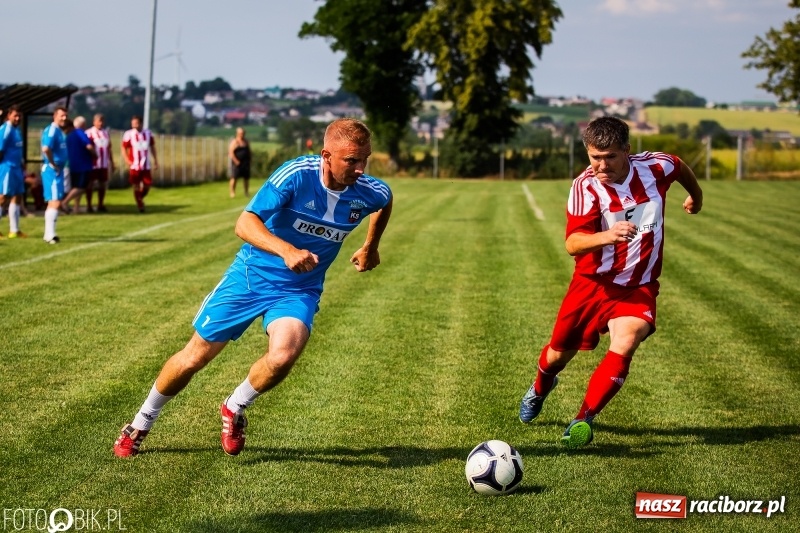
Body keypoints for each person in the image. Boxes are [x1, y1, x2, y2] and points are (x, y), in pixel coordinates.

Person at [113, 118, 393, 458]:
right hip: (249, 278)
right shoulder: (296, 175)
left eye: (365, 159)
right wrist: (286, 250)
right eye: (351, 160)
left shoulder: (368, 190)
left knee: (284, 355)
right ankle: (140, 422)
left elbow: (384, 201)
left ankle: (234, 406)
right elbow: (245, 223)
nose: (360, 168)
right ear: (326, 155)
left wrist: (371, 246)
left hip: (299, 290)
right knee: (194, 357)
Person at [518, 116, 703, 448]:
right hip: (592, 284)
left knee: (627, 340)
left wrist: (696, 196)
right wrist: (608, 235)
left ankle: (582, 420)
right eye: (595, 157)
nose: (602, 166)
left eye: (610, 157)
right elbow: (573, 243)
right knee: (557, 355)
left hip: (638, 285)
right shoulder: (585, 188)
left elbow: (678, 165)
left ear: (627, 150)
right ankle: (541, 388)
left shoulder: (655, 167)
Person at [40, 106, 70, 244]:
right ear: (55, 116)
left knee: (54, 201)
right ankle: (50, 235)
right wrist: (52, 163)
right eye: (61, 115)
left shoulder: (59, 131)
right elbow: (46, 148)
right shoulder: (52, 130)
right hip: (52, 170)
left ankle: (48, 234)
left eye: (65, 115)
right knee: (55, 201)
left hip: (57, 170)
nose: (64, 118)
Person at [121, 115, 158, 213]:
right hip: (134, 165)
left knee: (147, 185)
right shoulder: (129, 134)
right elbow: (123, 147)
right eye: (132, 123)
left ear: (141, 123)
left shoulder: (148, 133)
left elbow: (152, 147)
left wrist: (155, 160)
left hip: (146, 165)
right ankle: (140, 205)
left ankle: (139, 198)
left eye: (136, 123)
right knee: (136, 185)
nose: (134, 125)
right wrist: (127, 160)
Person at [0, 105, 27, 238]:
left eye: (19, 116)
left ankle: (14, 230)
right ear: (8, 115)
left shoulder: (17, 130)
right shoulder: (5, 129)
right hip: (7, 167)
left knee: (17, 196)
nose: (17, 118)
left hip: (16, 167)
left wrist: (21, 162)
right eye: (15, 115)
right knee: (3, 197)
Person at [62, 116, 96, 214]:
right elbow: (89, 146)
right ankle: (64, 203)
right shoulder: (79, 133)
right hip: (83, 164)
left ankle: (76, 208)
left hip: (73, 165)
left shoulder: (68, 136)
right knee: (82, 187)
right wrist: (94, 154)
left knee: (76, 186)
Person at [85, 113, 114, 212]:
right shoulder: (89, 133)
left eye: (102, 121)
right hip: (93, 164)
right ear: (94, 122)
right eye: (98, 121)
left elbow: (109, 149)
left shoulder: (106, 133)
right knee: (90, 184)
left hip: (104, 163)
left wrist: (112, 162)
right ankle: (89, 205)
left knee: (103, 184)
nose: (100, 123)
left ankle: (100, 204)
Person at [228, 127, 251, 198]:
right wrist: (236, 161)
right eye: (241, 133)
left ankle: (246, 192)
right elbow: (231, 153)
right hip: (237, 163)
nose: (242, 135)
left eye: (243, 133)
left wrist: (250, 159)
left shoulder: (246, 142)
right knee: (234, 177)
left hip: (245, 163)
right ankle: (232, 192)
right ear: (237, 134)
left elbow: (249, 151)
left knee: (246, 178)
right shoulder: (234, 142)